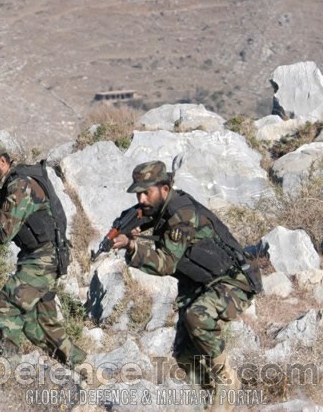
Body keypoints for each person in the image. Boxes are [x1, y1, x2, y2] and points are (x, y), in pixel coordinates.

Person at [111, 160, 262, 409]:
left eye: (146, 192)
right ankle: (212, 394)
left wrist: (132, 246)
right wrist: (123, 228)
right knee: (184, 355)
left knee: (197, 317)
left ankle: (226, 379)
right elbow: (138, 218)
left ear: (164, 189)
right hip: (200, 283)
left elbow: (166, 264)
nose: (141, 199)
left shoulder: (182, 214)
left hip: (233, 280)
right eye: (138, 193)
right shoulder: (157, 207)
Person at [0, 139, 87, 369]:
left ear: (2, 161)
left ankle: (7, 376)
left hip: (43, 259)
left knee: (2, 311)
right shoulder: (12, 181)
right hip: (40, 256)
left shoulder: (21, 184)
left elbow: (2, 233)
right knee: (38, 325)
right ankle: (82, 366)